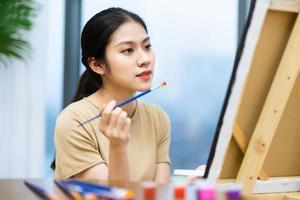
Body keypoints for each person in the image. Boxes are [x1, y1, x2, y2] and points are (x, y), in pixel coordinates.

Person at [52, 7, 171, 183]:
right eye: (128, 50)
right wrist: (117, 146)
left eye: (147, 46)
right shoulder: (73, 122)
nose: (145, 59)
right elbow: (111, 195)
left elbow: (159, 192)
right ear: (97, 65)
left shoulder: (157, 117)